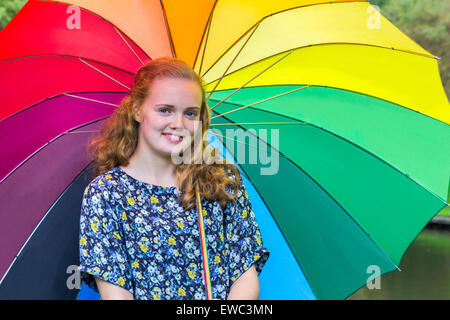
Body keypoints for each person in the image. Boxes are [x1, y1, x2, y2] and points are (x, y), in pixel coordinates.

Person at [78, 57, 270, 300]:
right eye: (165, 110)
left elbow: (245, 276)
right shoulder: (107, 193)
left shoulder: (220, 181)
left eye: (190, 113)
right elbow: (117, 295)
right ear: (137, 110)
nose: (178, 124)